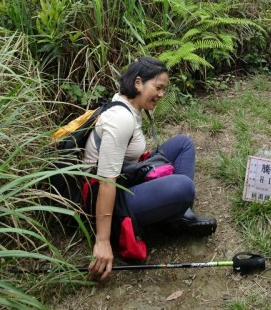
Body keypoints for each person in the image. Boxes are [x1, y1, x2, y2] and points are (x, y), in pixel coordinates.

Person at [84, 57, 217, 281]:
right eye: (158, 87)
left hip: (127, 177)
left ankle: (178, 213)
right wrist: (103, 241)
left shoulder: (127, 105)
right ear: (138, 83)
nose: (161, 94)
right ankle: (173, 212)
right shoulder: (120, 119)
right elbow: (107, 181)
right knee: (184, 187)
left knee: (183, 144)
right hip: (109, 199)